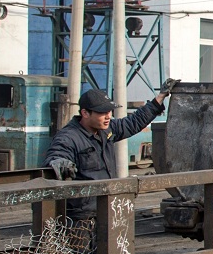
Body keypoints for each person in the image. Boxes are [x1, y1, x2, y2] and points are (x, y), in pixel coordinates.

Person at [44, 81, 177, 219]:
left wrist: (160, 97)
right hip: (81, 217)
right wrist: (59, 161)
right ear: (85, 113)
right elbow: (57, 154)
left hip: (106, 209)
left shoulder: (106, 130)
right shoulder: (69, 137)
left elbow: (134, 122)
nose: (108, 116)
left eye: (109, 111)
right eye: (102, 113)